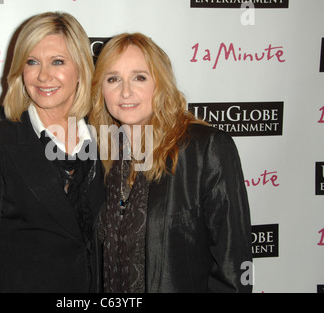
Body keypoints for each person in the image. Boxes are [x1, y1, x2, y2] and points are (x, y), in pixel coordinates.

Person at [89, 33, 252, 293]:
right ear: (101, 89)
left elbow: (234, 267)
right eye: (113, 79)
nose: (126, 91)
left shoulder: (206, 148)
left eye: (139, 77)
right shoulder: (102, 156)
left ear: (160, 84)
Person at [0, 12, 105, 293]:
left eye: (58, 62)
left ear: (81, 69)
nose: (43, 75)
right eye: (32, 62)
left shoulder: (106, 142)